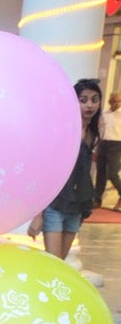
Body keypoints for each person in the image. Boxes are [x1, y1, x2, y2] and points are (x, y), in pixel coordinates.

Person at [29, 78, 101, 260]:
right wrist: (38, 214)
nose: (89, 105)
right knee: (54, 263)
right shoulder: (63, 131)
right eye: (83, 99)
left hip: (77, 205)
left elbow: (86, 171)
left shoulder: (94, 133)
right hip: (56, 204)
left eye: (94, 99)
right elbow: (47, 171)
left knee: (60, 262)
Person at [93, 89, 121, 209]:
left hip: (117, 144)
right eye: (112, 101)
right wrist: (95, 148)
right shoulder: (104, 114)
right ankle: (97, 200)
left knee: (112, 173)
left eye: (117, 101)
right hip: (103, 144)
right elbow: (99, 131)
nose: (114, 104)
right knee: (101, 173)